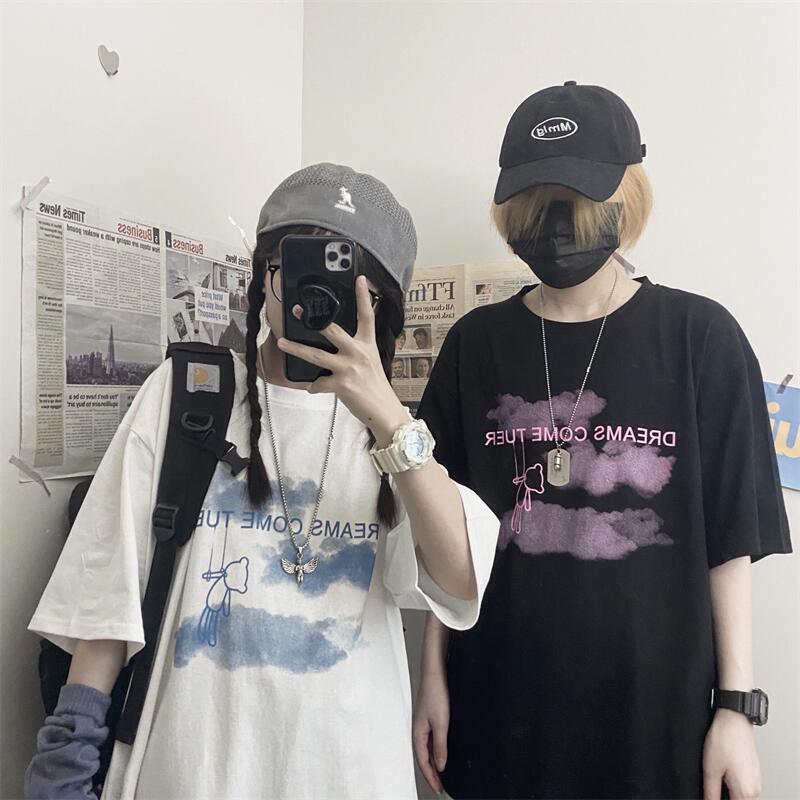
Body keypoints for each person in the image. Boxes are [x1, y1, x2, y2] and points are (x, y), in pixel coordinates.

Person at [25, 163, 499, 800]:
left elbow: (459, 580)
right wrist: (66, 757)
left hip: (348, 775)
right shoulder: (187, 395)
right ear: (264, 277)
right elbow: (108, 594)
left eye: (347, 283)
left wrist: (388, 417)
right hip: (188, 773)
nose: (315, 301)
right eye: (296, 269)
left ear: (379, 304)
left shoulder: (393, 437)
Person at [412, 83, 791, 800]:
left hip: (658, 723)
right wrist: (432, 675)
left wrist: (736, 709)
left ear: (625, 197)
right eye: (536, 200)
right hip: (497, 711)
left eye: (578, 197)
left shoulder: (700, 339)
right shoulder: (474, 346)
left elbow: (730, 542)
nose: (556, 223)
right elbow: (448, 540)